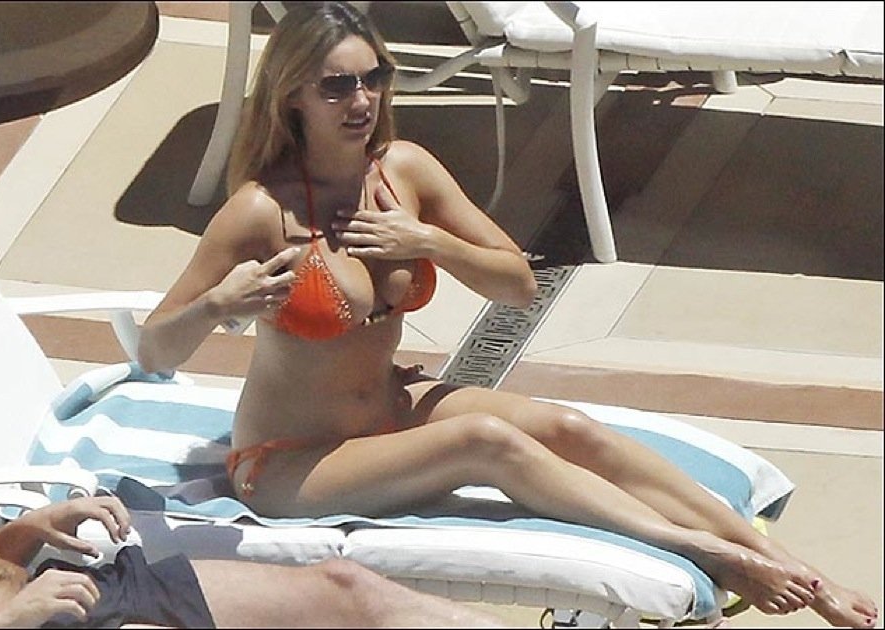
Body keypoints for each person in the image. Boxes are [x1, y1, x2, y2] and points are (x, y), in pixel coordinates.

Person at [137, 3, 878, 627]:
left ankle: (789, 564)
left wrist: (428, 241)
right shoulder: (260, 211)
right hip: (290, 462)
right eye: (337, 86)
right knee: (486, 440)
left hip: (391, 409)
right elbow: (155, 351)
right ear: (292, 95)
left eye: (375, 77)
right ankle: (707, 550)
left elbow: (518, 284)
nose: (362, 101)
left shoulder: (402, 171)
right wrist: (218, 304)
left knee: (570, 428)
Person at [0, 491, 506, 628]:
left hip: (72, 590)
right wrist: (7, 618)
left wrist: (26, 529)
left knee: (346, 586)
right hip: (30, 619)